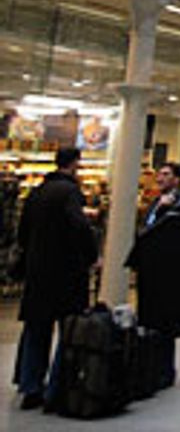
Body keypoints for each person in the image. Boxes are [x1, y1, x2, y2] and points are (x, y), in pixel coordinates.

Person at [13, 147, 98, 411]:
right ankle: (56, 388)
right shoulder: (70, 193)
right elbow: (80, 226)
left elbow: (23, 233)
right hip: (66, 274)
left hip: (38, 273)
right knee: (68, 330)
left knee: (36, 329)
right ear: (74, 164)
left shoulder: (37, 193)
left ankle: (30, 386)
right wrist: (91, 255)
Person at [127, 162, 180, 389]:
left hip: (165, 272)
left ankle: (163, 370)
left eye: (166, 174)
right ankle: (152, 367)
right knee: (152, 320)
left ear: (177, 180)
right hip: (152, 269)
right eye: (159, 174)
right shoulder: (158, 202)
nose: (160, 177)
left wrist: (163, 210)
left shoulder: (178, 205)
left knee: (163, 322)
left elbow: (174, 235)